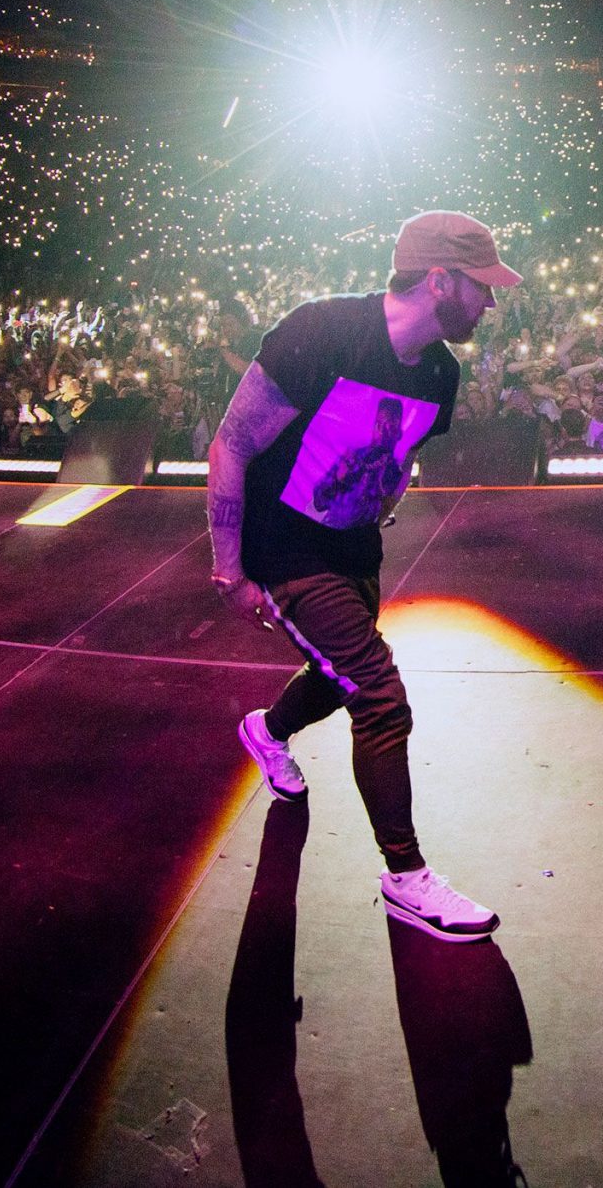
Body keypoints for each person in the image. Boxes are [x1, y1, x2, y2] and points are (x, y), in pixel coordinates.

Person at [210, 209, 520, 941]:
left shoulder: (441, 372)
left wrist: (383, 499)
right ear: (438, 279)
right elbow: (230, 444)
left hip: (352, 548)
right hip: (283, 548)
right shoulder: (321, 331)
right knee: (378, 692)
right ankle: (406, 875)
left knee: (336, 671)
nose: (491, 303)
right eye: (482, 287)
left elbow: (401, 453)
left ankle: (266, 729)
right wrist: (229, 566)